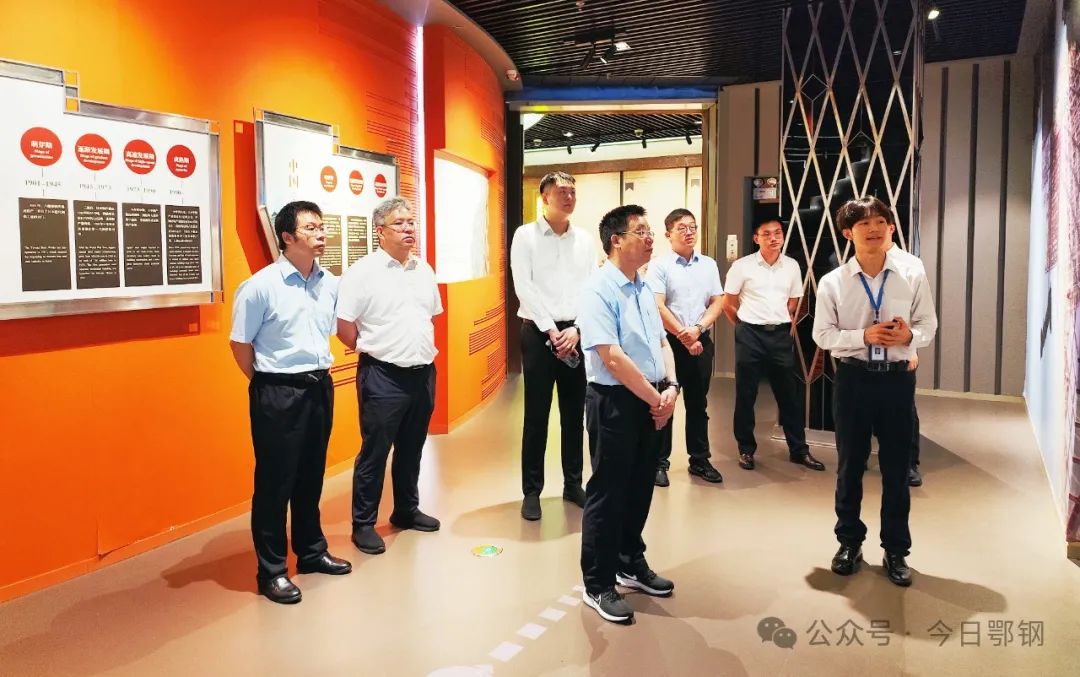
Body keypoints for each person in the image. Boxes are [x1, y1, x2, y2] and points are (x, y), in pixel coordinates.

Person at [229, 200, 352, 605]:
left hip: (319, 387)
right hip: (278, 392)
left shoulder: (328, 282)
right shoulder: (261, 286)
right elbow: (240, 344)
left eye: (321, 226)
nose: (321, 234)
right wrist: (267, 384)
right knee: (274, 482)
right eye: (311, 228)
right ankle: (272, 571)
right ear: (286, 237)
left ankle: (312, 552)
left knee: (311, 475)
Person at [812, 196, 937, 587]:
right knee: (850, 466)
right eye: (863, 223)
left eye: (880, 221)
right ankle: (849, 542)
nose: (874, 228)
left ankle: (896, 549)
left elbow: (929, 325)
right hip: (853, 380)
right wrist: (863, 336)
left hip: (897, 380)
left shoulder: (911, 272)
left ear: (890, 228)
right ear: (848, 233)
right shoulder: (833, 282)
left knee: (897, 469)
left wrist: (909, 336)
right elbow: (822, 335)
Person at [578, 205, 678, 624]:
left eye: (651, 231)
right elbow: (612, 357)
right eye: (642, 231)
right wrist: (656, 400)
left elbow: (661, 343)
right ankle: (598, 583)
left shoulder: (644, 285)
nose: (651, 237)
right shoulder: (598, 288)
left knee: (639, 486)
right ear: (616, 240)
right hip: (615, 401)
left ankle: (629, 561)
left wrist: (671, 387)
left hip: (652, 397)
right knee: (608, 492)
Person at [337, 197, 442, 555]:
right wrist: (372, 348)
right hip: (383, 375)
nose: (409, 228)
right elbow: (344, 326)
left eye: (411, 222)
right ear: (380, 231)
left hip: (422, 372)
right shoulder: (362, 272)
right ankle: (363, 523)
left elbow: (430, 316)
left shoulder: (423, 270)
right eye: (399, 223)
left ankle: (406, 510)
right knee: (375, 451)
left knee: (412, 447)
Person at [510, 171, 597, 521]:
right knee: (536, 415)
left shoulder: (585, 240)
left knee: (574, 415)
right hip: (537, 333)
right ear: (544, 197)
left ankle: (573, 484)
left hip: (575, 333)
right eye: (562, 191)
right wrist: (551, 330)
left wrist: (576, 328)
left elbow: (592, 287)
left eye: (573, 191)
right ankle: (531, 491)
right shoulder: (525, 236)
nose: (569, 197)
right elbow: (524, 286)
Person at [723, 219, 825, 472]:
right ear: (756, 238)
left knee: (789, 395)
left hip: (779, 335)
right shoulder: (742, 266)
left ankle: (799, 450)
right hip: (749, 334)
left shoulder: (791, 266)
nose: (773, 238)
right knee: (746, 395)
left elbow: (793, 302)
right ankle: (746, 449)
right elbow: (728, 303)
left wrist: (779, 321)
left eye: (777, 233)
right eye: (766, 234)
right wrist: (743, 326)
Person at [645, 208, 724, 487]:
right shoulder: (659, 266)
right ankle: (659, 463)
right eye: (682, 228)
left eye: (693, 227)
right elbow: (657, 305)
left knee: (698, 403)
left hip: (701, 341)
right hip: (670, 344)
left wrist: (697, 330)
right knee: (665, 401)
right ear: (668, 234)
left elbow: (718, 301)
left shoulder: (709, 265)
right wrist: (684, 336)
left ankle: (699, 460)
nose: (689, 232)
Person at [883, 236, 926, 487]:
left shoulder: (910, 264)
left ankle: (909, 463)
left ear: (889, 228)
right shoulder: (849, 264)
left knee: (904, 410)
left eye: (879, 224)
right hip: (865, 350)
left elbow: (917, 315)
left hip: (899, 350)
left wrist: (912, 349)